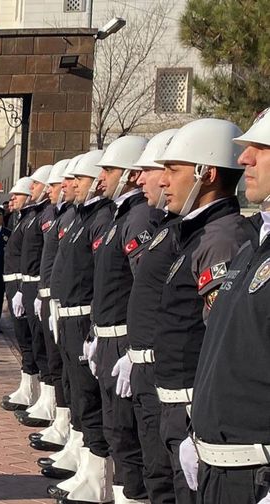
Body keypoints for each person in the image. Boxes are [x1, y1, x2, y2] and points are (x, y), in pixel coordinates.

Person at [150, 118, 249, 504]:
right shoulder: (196, 234)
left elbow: (223, 339)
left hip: (193, 406)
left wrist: (201, 422)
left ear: (205, 174)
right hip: (176, 400)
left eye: (172, 171)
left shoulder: (221, 239)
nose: (162, 181)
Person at [182, 108, 270, 504]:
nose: (243, 158)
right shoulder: (255, 242)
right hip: (224, 470)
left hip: (255, 476)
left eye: (261, 148)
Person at [47, 150, 116, 503]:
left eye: (80, 180)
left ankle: (98, 477)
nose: (71, 185)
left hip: (86, 317)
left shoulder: (101, 218)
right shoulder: (80, 217)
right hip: (69, 312)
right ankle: (85, 464)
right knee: (77, 392)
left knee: (89, 397)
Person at [87, 136, 152, 504]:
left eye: (109, 170)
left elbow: (143, 288)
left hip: (125, 340)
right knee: (115, 429)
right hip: (109, 337)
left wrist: (134, 347)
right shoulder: (120, 216)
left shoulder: (137, 216)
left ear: (127, 173)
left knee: (126, 435)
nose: (102, 179)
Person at [123, 129, 181, 504]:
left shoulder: (203, 235)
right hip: (145, 362)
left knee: (164, 472)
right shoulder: (164, 227)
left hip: (171, 377)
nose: (143, 179)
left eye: (162, 169)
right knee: (153, 464)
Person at [28, 158, 76, 454]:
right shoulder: (58, 215)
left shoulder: (71, 217)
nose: (46, 190)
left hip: (75, 310)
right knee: (52, 361)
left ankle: (70, 430)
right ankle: (62, 421)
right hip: (52, 298)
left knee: (67, 371)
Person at [14, 164, 54, 429]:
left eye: (35, 186)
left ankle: (50, 403)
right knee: (29, 342)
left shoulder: (44, 215)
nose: (32, 190)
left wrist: (38, 290)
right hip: (27, 285)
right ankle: (33, 391)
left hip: (38, 287)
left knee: (43, 347)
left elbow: (44, 257)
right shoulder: (30, 216)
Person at [0, 177, 38, 411]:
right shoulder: (22, 220)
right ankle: (27, 384)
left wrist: (22, 290)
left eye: (17, 195)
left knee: (28, 339)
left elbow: (31, 258)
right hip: (15, 283)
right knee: (23, 339)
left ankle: (33, 388)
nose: (12, 199)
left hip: (23, 283)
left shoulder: (31, 220)